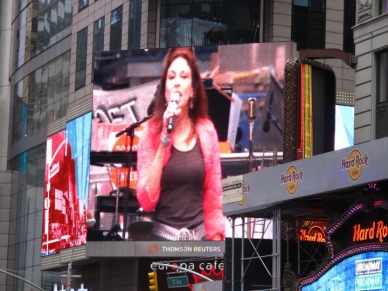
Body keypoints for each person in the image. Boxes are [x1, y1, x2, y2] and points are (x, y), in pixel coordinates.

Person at [136, 47, 225, 241]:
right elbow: (146, 200)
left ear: (192, 90)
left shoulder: (207, 131)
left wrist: (217, 247)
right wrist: (164, 138)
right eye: (171, 77)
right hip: (162, 241)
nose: (177, 83)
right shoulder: (151, 132)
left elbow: (214, 197)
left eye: (184, 77)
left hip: (199, 241)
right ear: (165, 89)